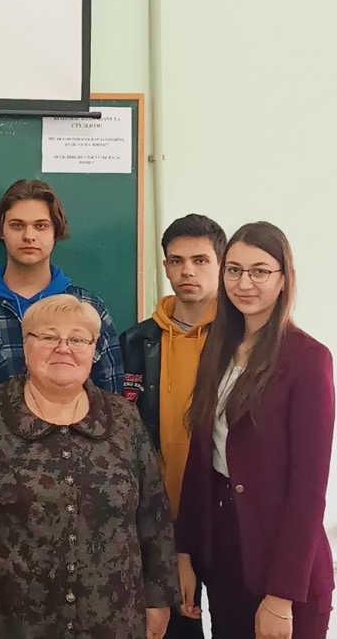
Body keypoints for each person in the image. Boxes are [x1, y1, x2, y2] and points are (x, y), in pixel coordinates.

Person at [0, 294, 178, 639]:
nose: (63, 348)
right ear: (25, 345)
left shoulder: (124, 418)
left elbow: (154, 514)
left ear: (94, 349)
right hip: (4, 618)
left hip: (111, 618)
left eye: (78, 339)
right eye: (48, 337)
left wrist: (158, 598)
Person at [177, 222, 334, 638]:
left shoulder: (308, 358)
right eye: (234, 270)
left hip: (286, 566)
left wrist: (281, 596)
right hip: (225, 553)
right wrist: (185, 551)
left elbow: (309, 489)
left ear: (283, 279)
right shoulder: (218, 348)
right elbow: (201, 458)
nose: (244, 283)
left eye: (259, 271)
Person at [120, 213, 225, 638]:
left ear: (221, 264)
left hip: (224, 517)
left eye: (200, 260)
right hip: (156, 519)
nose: (187, 271)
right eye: (177, 261)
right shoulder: (135, 341)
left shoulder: (242, 341)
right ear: (164, 266)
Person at [0, 179, 122, 414]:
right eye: (17, 225)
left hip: (74, 437)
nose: (29, 236)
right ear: (1, 231)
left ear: (56, 232)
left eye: (41, 226)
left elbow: (111, 406)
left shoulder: (88, 308)